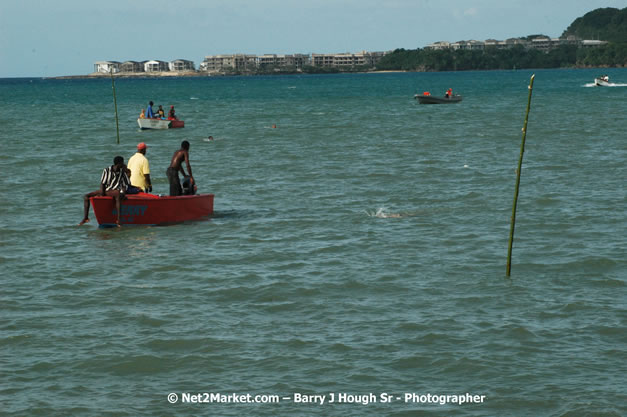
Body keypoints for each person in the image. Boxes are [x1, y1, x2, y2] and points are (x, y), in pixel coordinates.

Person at [79, 156, 130, 227]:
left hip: (115, 191)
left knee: (118, 194)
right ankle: (86, 218)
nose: (123, 164)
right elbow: (102, 183)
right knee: (86, 196)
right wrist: (102, 194)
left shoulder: (122, 172)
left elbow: (125, 185)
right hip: (106, 190)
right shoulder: (107, 170)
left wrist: (123, 193)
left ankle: (118, 220)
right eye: (122, 162)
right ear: (119, 163)